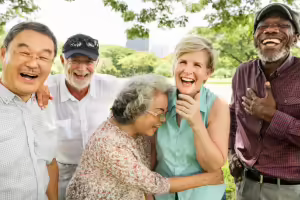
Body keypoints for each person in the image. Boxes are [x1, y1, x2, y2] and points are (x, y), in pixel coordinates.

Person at [65, 74, 224, 200]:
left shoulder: (136, 132)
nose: (162, 121)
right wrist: (208, 179)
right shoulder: (109, 144)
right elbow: (154, 184)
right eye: (159, 113)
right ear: (137, 109)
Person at [229, 3, 300, 200]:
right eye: (263, 26)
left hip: (290, 190)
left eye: (282, 25)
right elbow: (233, 119)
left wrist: (272, 116)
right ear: (255, 38)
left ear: (296, 38)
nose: (270, 29)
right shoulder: (243, 72)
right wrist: (231, 155)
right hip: (246, 186)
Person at [40, 34, 121, 199]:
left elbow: (147, 88)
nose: (82, 68)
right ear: (63, 61)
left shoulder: (110, 85)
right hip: (60, 174)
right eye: (75, 60)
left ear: (96, 63)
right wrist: (36, 86)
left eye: (89, 62)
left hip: (100, 173)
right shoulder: (46, 87)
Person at [154, 35, 230, 200]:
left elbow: (213, 166)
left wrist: (196, 124)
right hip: (163, 195)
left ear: (208, 73)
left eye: (197, 65)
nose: (187, 70)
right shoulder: (160, 100)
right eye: (182, 62)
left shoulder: (218, 106)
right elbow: (150, 154)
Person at [0, 22, 58, 199]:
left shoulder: (45, 104)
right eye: (25, 53)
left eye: (43, 57)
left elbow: (50, 163)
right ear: (3, 54)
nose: (33, 63)